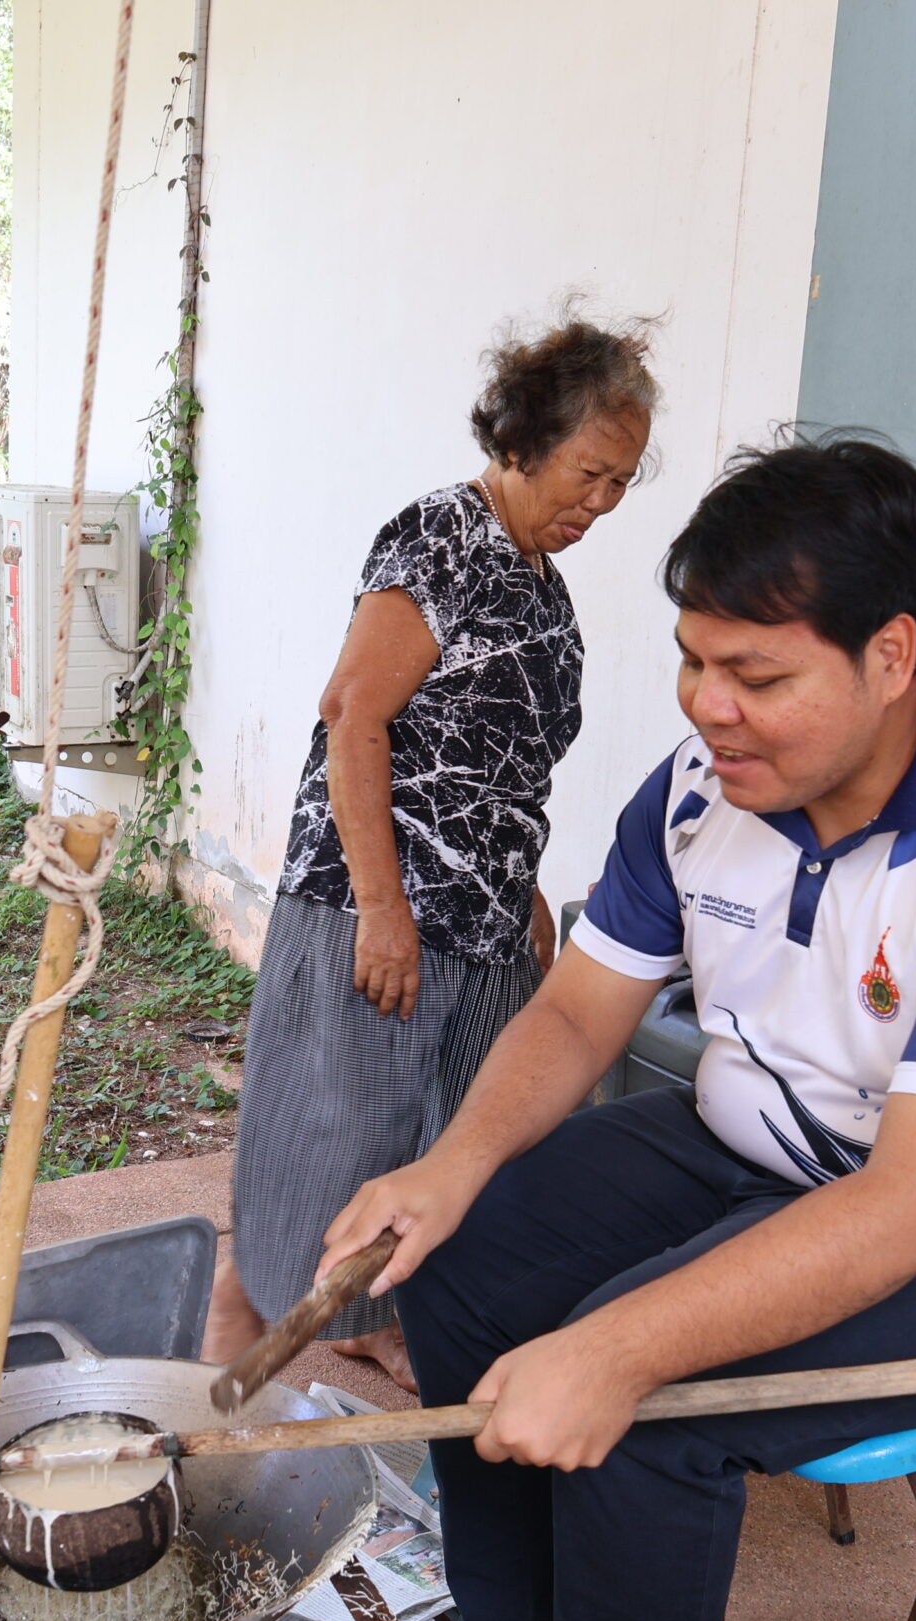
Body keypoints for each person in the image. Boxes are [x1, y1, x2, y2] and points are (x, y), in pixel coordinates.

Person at [321, 434, 916, 1621]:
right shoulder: (699, 790)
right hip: (762, 1148)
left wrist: (616, 1348)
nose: (706, 706)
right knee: (456, 1254)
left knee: (642, 1391)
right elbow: (576, 1017)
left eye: (756, 675)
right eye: (693, 659)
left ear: (889, 656)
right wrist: (450, 1168)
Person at [205, 318, 658, 1386]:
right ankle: (244, 1316)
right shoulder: (440, 538)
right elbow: (353, 715)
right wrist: (382, 908)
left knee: (453, 1131)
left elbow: (498, 763)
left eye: (621, 483)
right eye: (589, 473)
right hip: (378, 901)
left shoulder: (540, 579)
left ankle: (375, 1310)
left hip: (485, 916)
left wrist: (526, 888)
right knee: (336, 1130)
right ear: (524, 441)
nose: (600, 503)